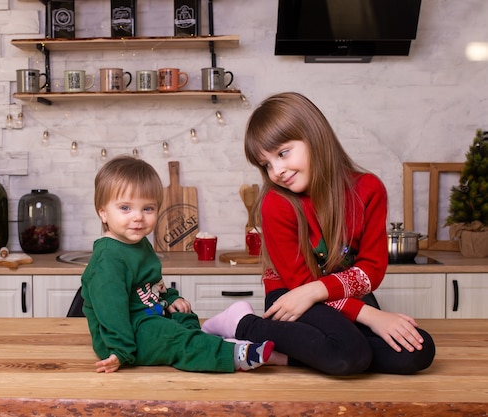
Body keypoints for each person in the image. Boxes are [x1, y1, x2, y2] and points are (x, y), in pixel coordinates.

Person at [202, 92, 436, 375]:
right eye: (266, 164)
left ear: (314, 136)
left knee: (418, 351)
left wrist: (332, 296)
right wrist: (372, 316)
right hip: (290, 296)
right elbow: (300, 282)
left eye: (282, 153)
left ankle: (282, 355)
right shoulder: (276, 203)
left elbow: (372, 269)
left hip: (334, 292)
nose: (276, 171)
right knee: (350, 354)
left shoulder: (369, 189)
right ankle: (243, 323)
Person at [81, 155, 275, 373]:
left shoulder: (138, 243)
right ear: (103, 212)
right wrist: (120, 351)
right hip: (125, 334)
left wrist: (171, 299)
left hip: (149, 317)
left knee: (184, 314)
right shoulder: (108, 259)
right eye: (125, 208)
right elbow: (111, 313)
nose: (138, 218)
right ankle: (233, 354)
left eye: (148, 209)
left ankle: (206, 337)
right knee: (171, 337)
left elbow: (154, 285)